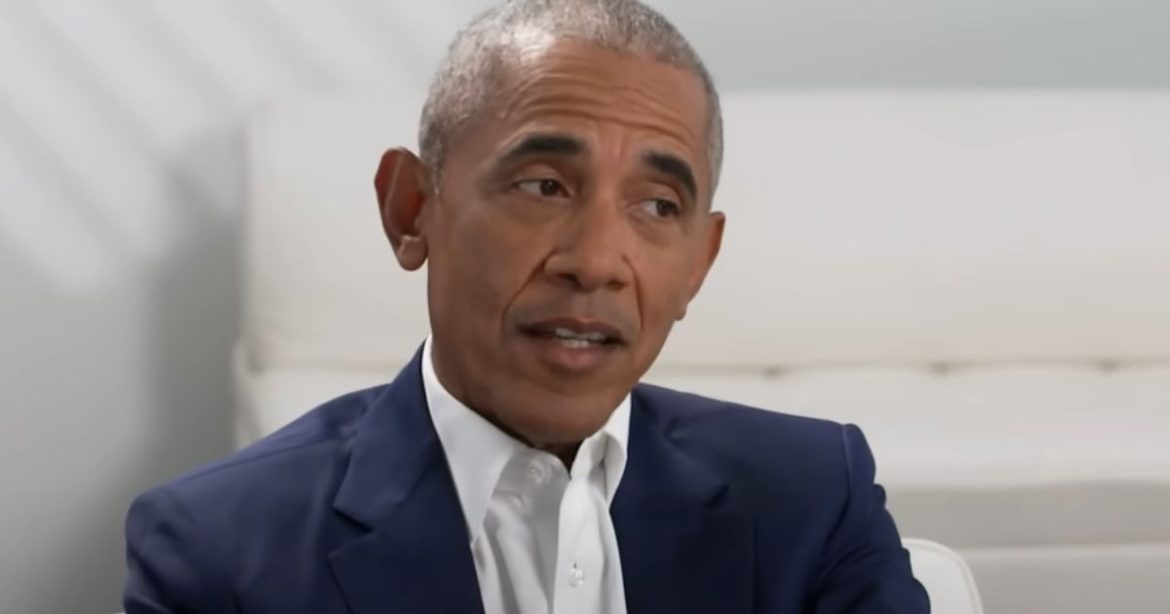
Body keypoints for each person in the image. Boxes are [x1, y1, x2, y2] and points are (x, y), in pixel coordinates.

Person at [123, 1, 929, 612]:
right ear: (411, 210)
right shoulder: (216, 549)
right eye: (544, 186)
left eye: (657, 205)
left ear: (699, 265)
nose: (596, 263)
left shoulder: (814, 497)